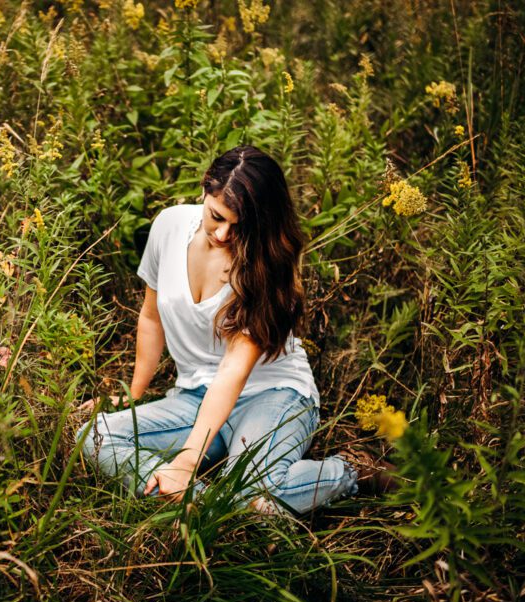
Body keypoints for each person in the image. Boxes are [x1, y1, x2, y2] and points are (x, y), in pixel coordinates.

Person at [75, 145, 372, 515]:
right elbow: (151, 317)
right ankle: (205, 505)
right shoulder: (168, 227)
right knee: (94, 437)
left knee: (252, 488)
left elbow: (234, 370)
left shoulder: (263, 266)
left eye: (240, 225)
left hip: (270, 394)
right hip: (194, 397)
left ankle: (351, 470)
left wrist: (186, 460)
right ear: (205, 189)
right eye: (217, 216)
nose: (223, 233)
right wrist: (134, 394)